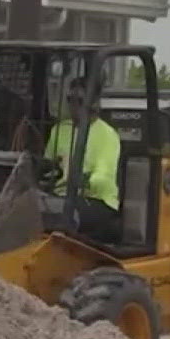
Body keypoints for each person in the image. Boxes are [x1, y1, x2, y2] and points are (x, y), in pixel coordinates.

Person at [43, 78, 122, 242]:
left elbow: (104, 177)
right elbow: (47, 166)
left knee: (64, 213)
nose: (73, 105)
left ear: (94, 102)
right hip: (61, 196)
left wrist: (84, 180)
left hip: (96, 200)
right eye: (69, 99)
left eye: (79, 100)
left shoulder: (107, 135)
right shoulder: (59, 130)